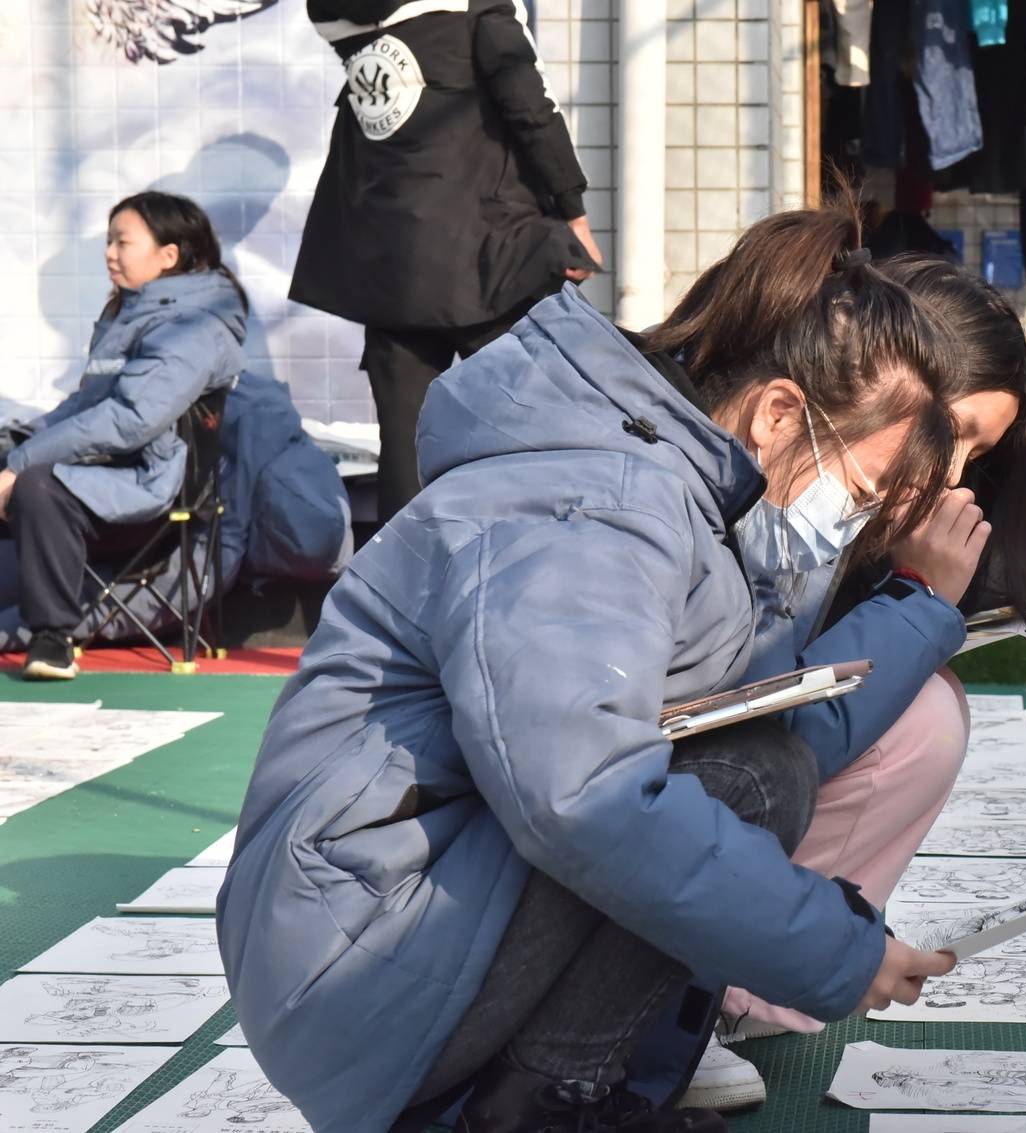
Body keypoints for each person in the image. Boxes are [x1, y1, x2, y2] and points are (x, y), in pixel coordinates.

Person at [215, 200, 968, 1133]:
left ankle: (558, 1091)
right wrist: (836, 950)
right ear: (779, 414)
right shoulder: (596, 502)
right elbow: (583, 795)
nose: (848, 523)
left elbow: (775, 719)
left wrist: (914, 615)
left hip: (381, 920)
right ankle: (537, 1104)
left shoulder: (671, 494)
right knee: (748, 779)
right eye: (857, 489)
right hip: (352, 965)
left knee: (759, 767)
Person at [648, 256, 1026, 1111]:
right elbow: (774, 737)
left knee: (922, 709)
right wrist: (919, 599)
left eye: (978, 451)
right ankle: (693, 992)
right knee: (801, 759)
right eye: (950, 430)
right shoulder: (762, 494)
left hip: (669, 809)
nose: (953, 474)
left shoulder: (835, 498)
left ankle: (732, 985)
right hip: (605, 838)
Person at [291, 0, 604, 524]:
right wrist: (573, 215)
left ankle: (403, 572)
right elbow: (529, 104)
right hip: (493, 253)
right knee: (527, 425)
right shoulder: (476, 8)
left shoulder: (334, 16)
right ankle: (526, 561)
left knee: (405, 446)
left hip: (393, 265)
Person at [0, 192, 247, 680]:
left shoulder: (195, 327)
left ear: (168, 255)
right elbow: (84, 407)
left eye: (122, 242)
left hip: (148, 487)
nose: (109, 254)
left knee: (37, 485)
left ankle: (52, 638)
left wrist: (21, 464)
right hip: (96, 472)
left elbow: (129, 420)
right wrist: (16, 443)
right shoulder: (127, 314)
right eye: (108, 241)